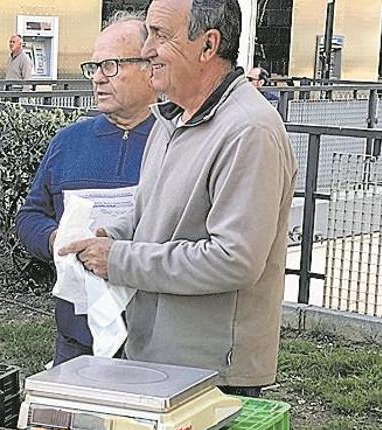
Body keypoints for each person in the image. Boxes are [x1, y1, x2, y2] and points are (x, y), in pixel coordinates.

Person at [61, 0, 297, 397]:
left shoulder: (248, 131)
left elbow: (233, 261)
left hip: (212, 375)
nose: (146, 49)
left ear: (208, 46)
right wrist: (108, 233)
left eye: (160, 35)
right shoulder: (172, 118)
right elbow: (151, 213)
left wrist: (118, 259)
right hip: (157, 358)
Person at [16, 13, 157, 365]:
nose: (97, 78)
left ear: (149, 67)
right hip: (75, 336)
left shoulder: (174, 143)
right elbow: (31, 215)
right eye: (94, 66)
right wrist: (57, 241)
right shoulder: (69, 141)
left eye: (110, 66)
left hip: (152, 339)